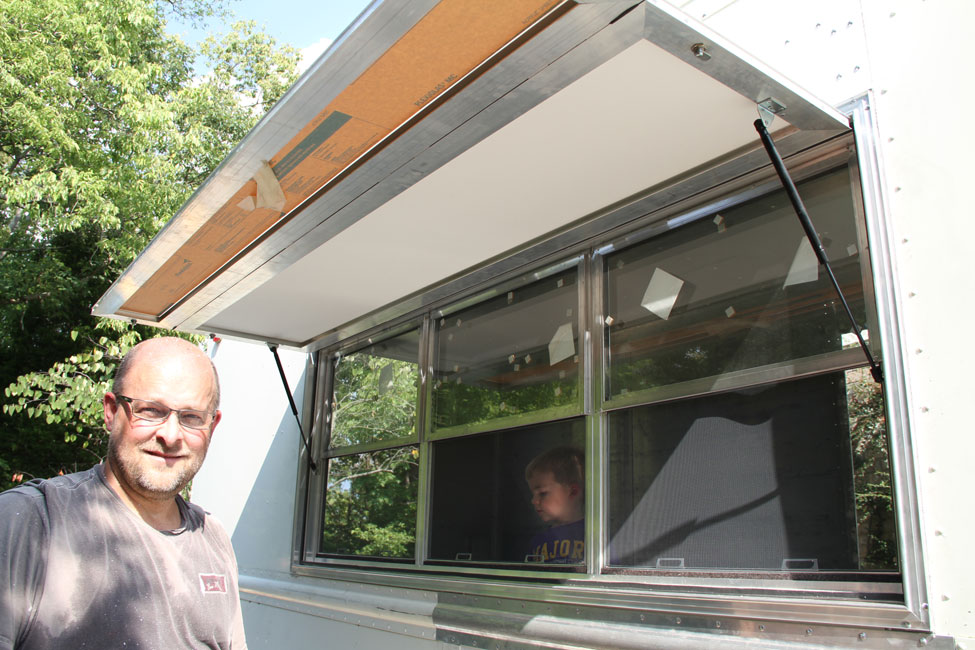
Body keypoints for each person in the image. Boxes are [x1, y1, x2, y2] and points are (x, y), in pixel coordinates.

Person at [0, 337, 246, 649]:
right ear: (111, 411)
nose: (170, 435)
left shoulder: (214, 540)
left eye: (191, 418)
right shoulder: (27, 523)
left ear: (212, 426)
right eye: (151, 411)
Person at [524, 446, 585, 564]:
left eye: (542, 493)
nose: (534, 501)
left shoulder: (595, 537)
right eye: (533, 494)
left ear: (573, 491)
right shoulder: (538, 541)